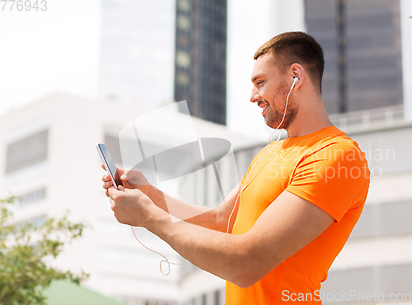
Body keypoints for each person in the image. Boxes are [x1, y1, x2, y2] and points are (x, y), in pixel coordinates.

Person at [102, 31, 370, 304]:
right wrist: (150, 195)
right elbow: (221, 221)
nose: (253, 96)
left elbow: (248, 263)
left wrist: (149, 217)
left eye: (261, 82)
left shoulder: (338, 156)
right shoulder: (271, 153)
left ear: (295, 77)